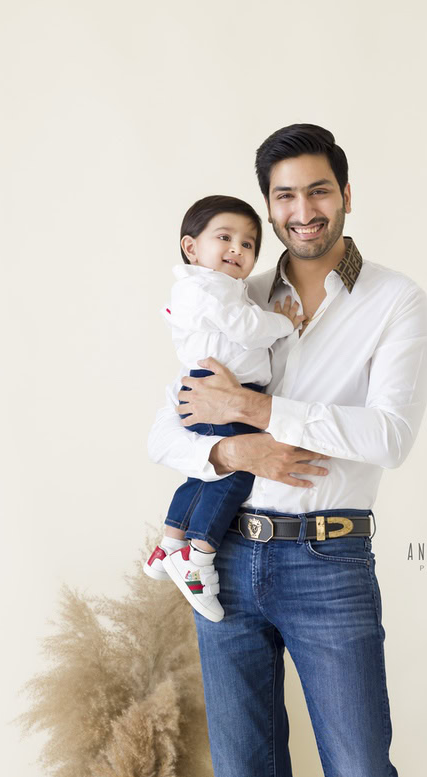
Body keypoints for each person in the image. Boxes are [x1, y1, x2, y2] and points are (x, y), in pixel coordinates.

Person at [147, 124, 427, 777]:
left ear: (345, 194)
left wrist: (263, 410)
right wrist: (240, 449)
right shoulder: (236, 295)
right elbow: (171, 425)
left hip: (329, 561)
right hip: (227, 560)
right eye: (283, 199)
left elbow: (386, 434)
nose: (299, 213)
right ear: (266, 205)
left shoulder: (396, 302)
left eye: (317, 193)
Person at [143, 194, 304, 621]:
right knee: (233, 476)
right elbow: (247, 329)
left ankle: (169, 544)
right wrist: (285, 322)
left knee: (201, 475)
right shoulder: (209, 289)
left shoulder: (210, 288)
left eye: (249, 244)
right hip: (221, 390)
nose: (238, 248)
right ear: (191, 247)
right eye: (225, 237)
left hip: (206, 384)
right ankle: (197, 559)